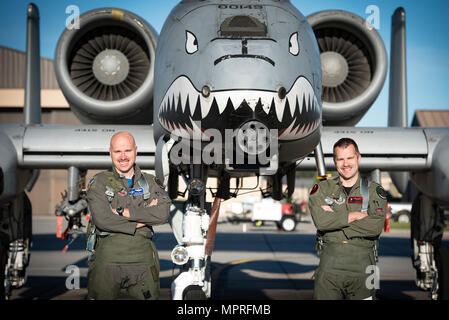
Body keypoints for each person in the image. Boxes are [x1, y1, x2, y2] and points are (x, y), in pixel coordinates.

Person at [86, 131, 171, 300]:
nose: (123, 157)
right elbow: (103, 220)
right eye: (118, 151)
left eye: (128, 151)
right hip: (107, 262)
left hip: (143, 263)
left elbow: (162, 213)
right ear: (110, 152)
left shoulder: (151, 182)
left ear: (136, 151)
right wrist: (143, 219)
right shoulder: (99, 182)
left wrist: (122, 212)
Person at [308, 137, 387, 300]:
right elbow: (321, 222)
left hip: (365, 269)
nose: (346, 164)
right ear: (335, 161)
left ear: (358, 158)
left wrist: (334, 220)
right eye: (341, 159)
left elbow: (375, 227)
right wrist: (354, 216)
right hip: (329, 268)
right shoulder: (321, 189)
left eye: (350, 158)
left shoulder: (375, 190)